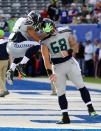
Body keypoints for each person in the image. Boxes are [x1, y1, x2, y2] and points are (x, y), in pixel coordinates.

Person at [40, 18, 98, 124]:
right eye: (48, 29)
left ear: (53, 25)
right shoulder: (45, 40)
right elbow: (45, 58)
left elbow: (75, 46)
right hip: (57, 67)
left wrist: (69, 51)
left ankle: (90, 108)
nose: (51, 30)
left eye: (51, 27)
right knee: (60, 92)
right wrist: (49, 73)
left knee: (81, 85)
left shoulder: (65, 31)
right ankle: (65, 116)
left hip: (70, 63)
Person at [6, 10, 53, 85]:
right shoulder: (29, 22)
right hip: (15, 45)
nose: (37, 24)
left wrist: (38, 29)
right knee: (36, 45)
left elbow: (30, 31)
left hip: (12, 46)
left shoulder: (22, 20)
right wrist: (46, 32)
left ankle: (11, 70)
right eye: (37, 22)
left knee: (23, 53)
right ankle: (21, 65)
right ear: (34, 18)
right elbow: (37, 38)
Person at [0, 30, 11, 97]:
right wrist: (11, 63)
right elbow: (10, 53)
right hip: (6, 61)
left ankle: (4, 89)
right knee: (3, 77)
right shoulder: (7, 42)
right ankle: (1, 92)